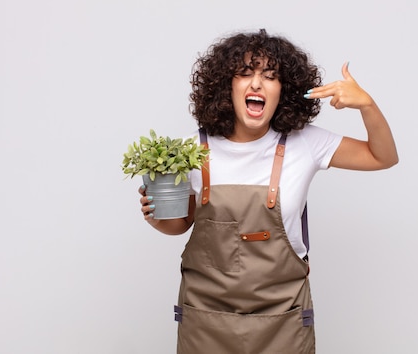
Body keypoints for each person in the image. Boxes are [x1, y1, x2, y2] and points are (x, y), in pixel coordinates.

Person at [138, 29, 398, 354]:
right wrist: (155, 215)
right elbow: (181, 224)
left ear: (283, 90)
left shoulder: (306, 143)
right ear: (226, 85)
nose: (257, 84)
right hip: (206, 324)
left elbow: (383, 157)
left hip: (283, 325)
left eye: (270, 76)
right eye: (245, 73)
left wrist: (367, 106)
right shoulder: (193, 149)